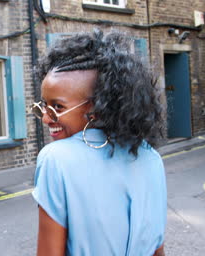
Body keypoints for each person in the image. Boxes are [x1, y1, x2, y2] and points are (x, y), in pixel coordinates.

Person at [31, 29, 167, 256]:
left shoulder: (55, 158)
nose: (46, 117)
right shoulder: (151, 158)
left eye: (57, 107)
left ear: (95, 108)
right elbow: (157, 249)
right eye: (43, 106)